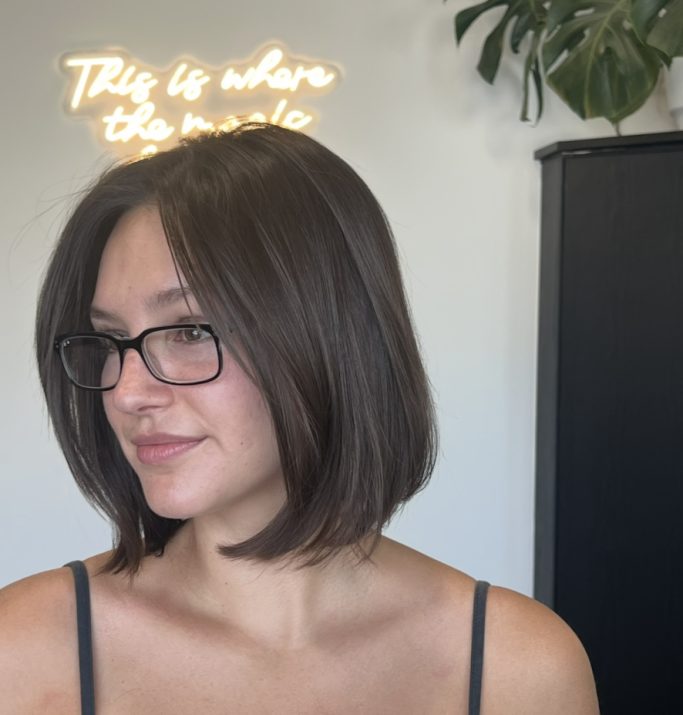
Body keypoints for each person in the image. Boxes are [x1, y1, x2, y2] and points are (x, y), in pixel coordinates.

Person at [0, 123, 599, 714]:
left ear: (326, 335)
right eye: (109, 341)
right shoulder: (25, 650)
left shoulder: (516, 669)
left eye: (189, 331)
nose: (128, 392)